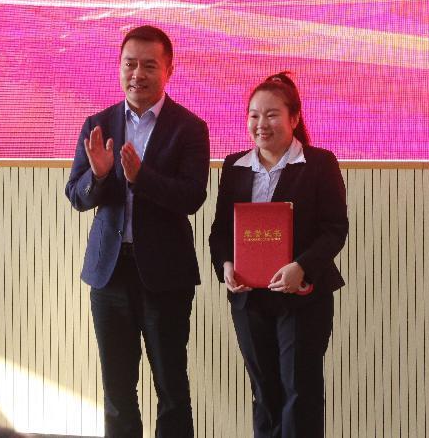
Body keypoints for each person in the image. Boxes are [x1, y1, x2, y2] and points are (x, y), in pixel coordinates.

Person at [65, 25, 210, 437]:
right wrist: (99, 176)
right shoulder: (98, 123)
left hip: (165, 275)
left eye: (149, 65)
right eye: (130, 64)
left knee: (171, 387)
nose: (138, 74)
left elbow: (192, 197)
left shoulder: (189, 128)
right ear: (119, 67)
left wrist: (142, 178)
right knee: (117, 391)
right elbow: (76, 195)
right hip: (109, 275)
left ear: (169, 70)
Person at [208, 72, 348, 438]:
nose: (261, 124)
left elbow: (335, 229)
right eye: (254, 115)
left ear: (294, 118)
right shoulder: (234, 167)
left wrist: (301, 267)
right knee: (265, 393)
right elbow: (220, 233)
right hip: (250, 300)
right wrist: (226, 266)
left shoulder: (319, 164)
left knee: (299, 392)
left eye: (271, 115)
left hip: (302, 297)